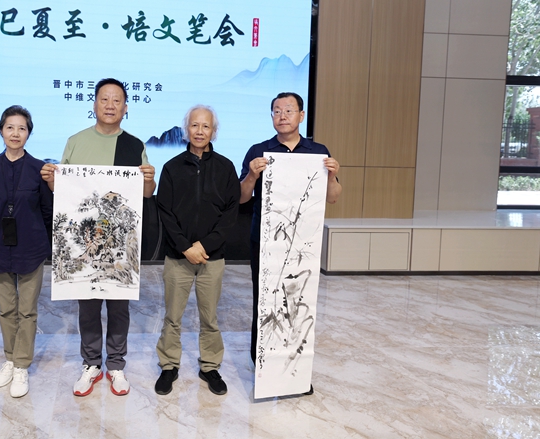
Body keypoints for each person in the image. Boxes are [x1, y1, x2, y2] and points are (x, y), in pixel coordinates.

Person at [40, 78, 156, 397]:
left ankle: (116, 364)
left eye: (116, 100)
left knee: (119, 306)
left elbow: (146, 193)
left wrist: (149, 179)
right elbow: (62, 189)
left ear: (125, 108)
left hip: (119, 241)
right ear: (93, 104)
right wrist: (50, 179)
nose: (110, 105)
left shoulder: (134, 145)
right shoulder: (76, 141)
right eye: (104, 99)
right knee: (88, 305)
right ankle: (91, 363)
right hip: (86, 237)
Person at [239, 92, 341, 363]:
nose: (282, 116)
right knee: (265, 300)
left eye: (288, 110)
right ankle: (261, 363)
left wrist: (332, 176)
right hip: (266, 241)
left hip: (304, 243)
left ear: (301, 115)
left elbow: (333, 197)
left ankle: (295, 366)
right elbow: (241, 198)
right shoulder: (258, 150)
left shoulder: (318, 152)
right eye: (276, 111)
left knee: (300, 301)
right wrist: (251, 175)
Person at [154, 106, 239, 397]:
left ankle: (210, 367)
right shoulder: (172, 167)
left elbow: (230, 213)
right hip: (178, 257)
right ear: (186, 129)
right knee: (172, 316)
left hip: (212, 258)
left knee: (210, 318)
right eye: (194, 125)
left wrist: (204, 245)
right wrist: (185, 247)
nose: (199, 131)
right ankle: (169, 366)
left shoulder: (226, 167)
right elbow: (164, 211)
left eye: (205, 126)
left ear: (213, 131)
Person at [0, 106, 52, 398]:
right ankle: (9, 359)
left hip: (31, 248)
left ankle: (21, 365)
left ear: (28, 134)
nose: (15, 133)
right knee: (7, 309)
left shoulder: (39, 170)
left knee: (27, 310)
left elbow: (47, 211)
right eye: (10, 127)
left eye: (22, 128)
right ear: (1, 130)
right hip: (0, 247)